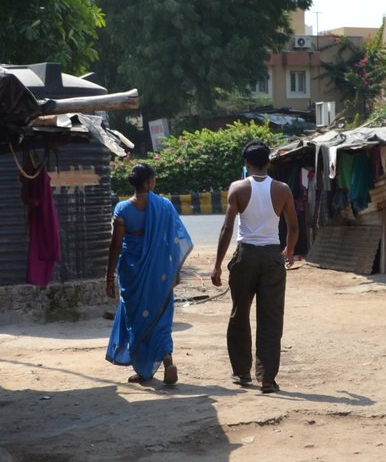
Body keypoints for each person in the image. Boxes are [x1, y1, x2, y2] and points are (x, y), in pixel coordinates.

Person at [212, 141, 299, 393]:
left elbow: (227, 228)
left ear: (246, 164)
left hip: (245, 255)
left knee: (239, 313)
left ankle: (242, 373)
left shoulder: (237, 188)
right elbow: (293, 226)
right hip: (272, 257)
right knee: (271, 318)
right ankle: (267, 378)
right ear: (268, 162)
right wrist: (289, 250)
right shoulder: (282, 189)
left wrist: (217, 265)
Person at [106, 163, 192, 386]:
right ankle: (167, 360)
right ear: (149, 182)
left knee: (136, 319)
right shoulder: (164, 206)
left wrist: (108, 277)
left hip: (132, 274)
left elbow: (115, 246)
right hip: (159, 274)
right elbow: (175, 241)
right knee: (160, 317)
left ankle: (143, 370)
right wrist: (176, 271)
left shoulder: (122, 209)